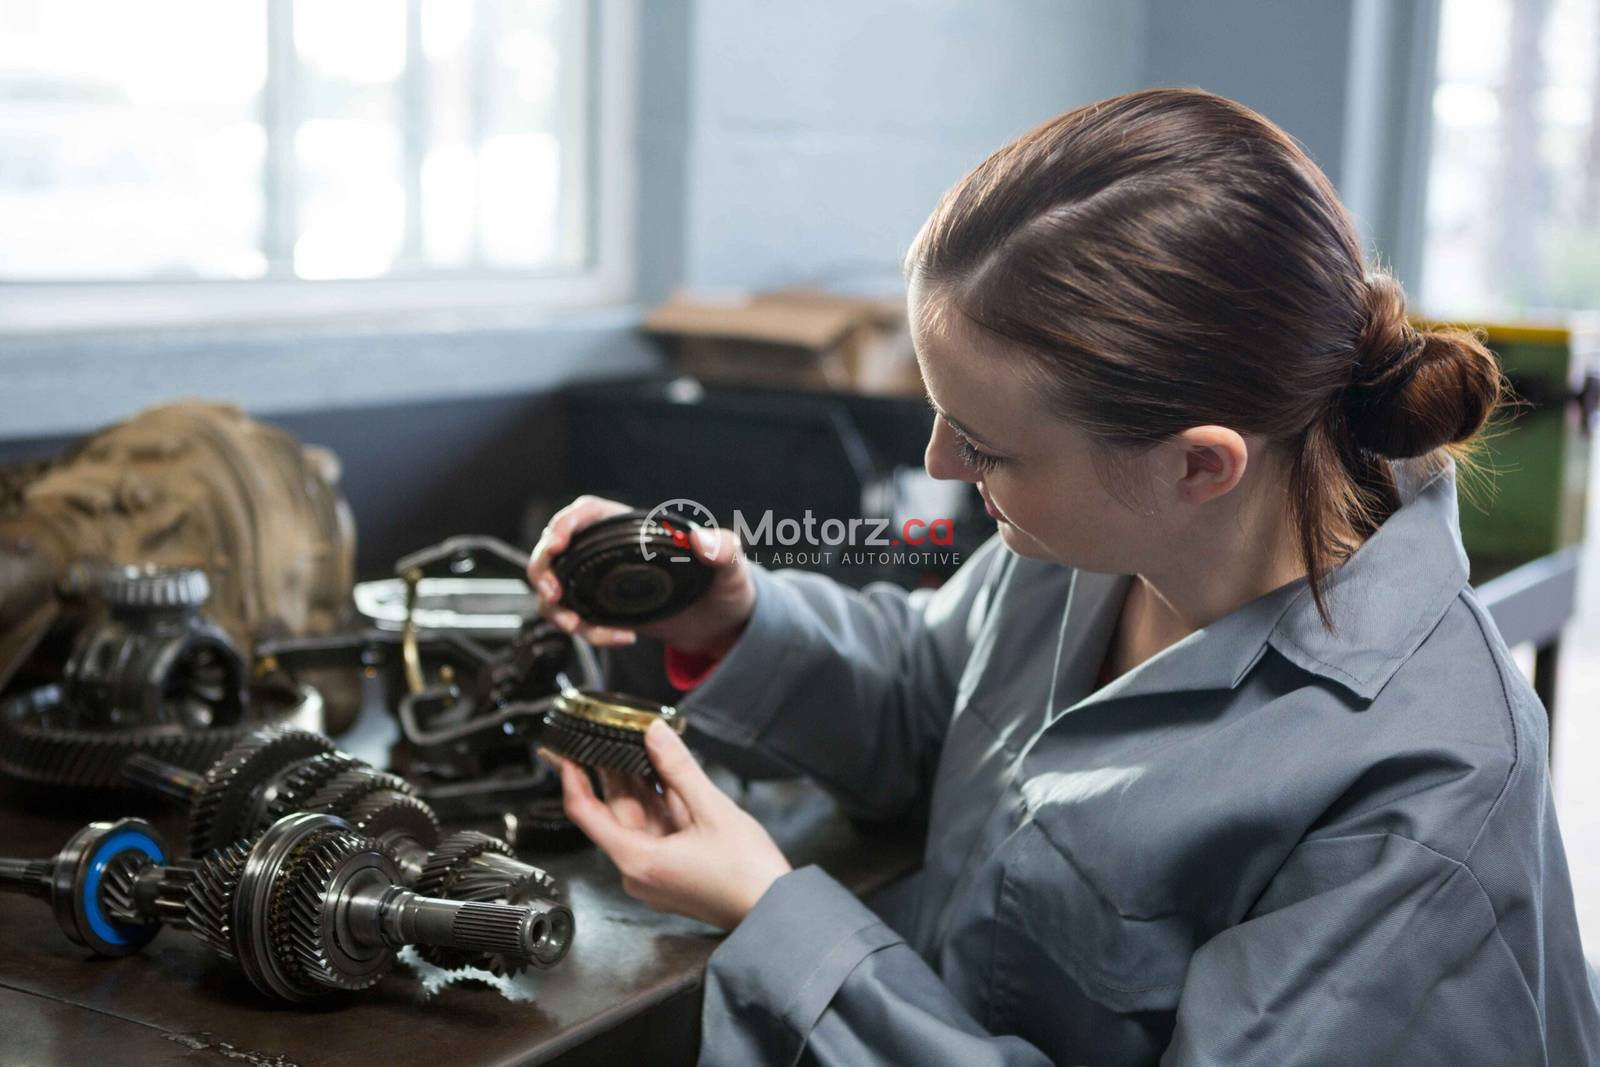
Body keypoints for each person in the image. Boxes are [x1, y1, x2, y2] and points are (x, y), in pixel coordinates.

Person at [529, 88, 1600, 1065]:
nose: (944, 465)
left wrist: (778, 917)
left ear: (1197, 461)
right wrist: (739, 612)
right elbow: (933, 693)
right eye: (941, 415)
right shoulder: (1089, 544)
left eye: (986, 444)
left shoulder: (1422, 794)